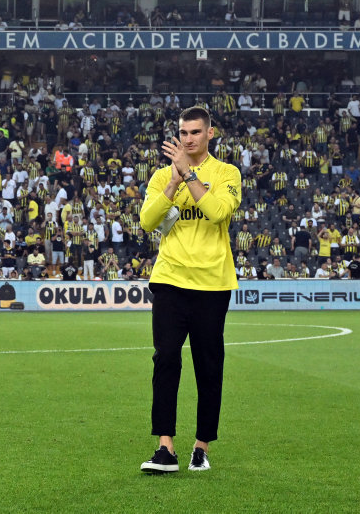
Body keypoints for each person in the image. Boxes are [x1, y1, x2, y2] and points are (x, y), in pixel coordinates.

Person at [138, 106, 241, 473]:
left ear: (210, 134)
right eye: (183, 132)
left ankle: (201, 446)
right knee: (165, 358)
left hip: (213, 283)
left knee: (208, 367)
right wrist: (172, 182)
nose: (188, 138)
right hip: (170, 279)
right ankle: (165, 447)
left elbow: (216, 212)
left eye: (195, 132)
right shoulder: (161, 175)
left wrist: (190, 174)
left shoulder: (227, 173)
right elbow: (148, 221)